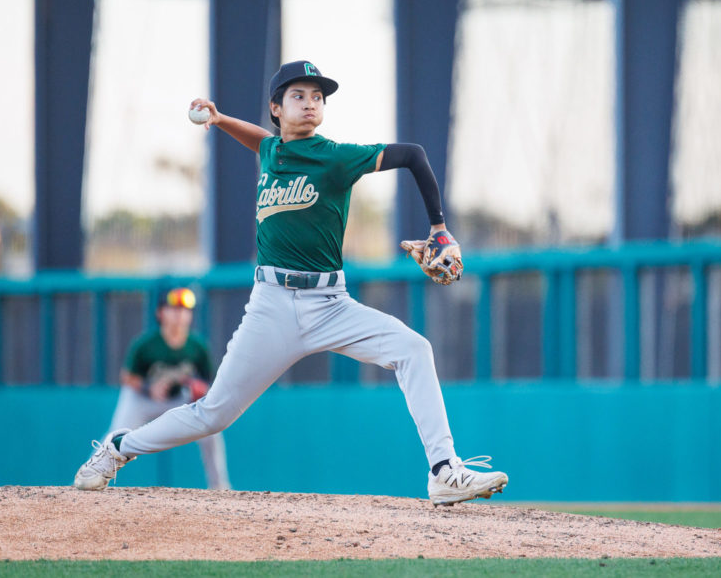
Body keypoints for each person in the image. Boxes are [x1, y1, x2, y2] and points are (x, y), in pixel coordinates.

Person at [74, 60, 508, 506]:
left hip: (331, 304)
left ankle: (443, 470)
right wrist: (221, 120)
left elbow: (413, 154)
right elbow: (260, 141)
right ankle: (118, 449)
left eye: (317, 97)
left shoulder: (336, 157)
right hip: (272, 306)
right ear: (276, 109)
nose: (310, 104)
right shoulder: (272, 152)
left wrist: (439, 227)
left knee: (414, 349)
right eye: (299, 96)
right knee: (213, 415)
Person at [78, 286, 230, 490]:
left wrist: (199, 388)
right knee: (117, 432)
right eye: (173, 308)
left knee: (212, 430)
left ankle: (220, 486)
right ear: (160, 313)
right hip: (143, 399)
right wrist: (150, 388)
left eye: (185, 309)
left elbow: (207, 382)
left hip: (178, 399)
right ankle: (90, 476)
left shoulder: (197, 346)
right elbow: (127, 376)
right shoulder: (146, 344)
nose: (179, 314)